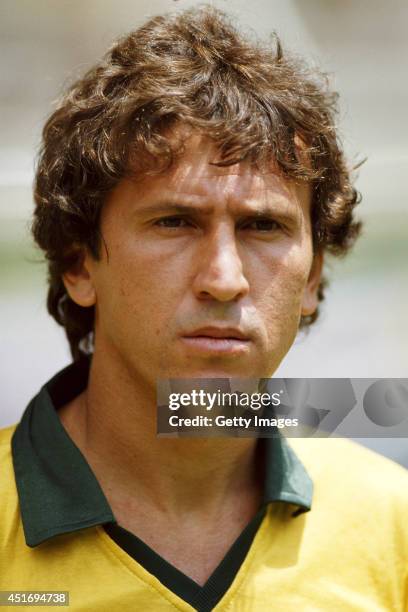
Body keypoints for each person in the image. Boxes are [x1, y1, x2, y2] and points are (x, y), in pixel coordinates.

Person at [1, 6, 407, 611]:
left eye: (263, 226)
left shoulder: (393, 523)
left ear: (313, 277)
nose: (224, 279)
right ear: (79, 265)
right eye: (175, 222)